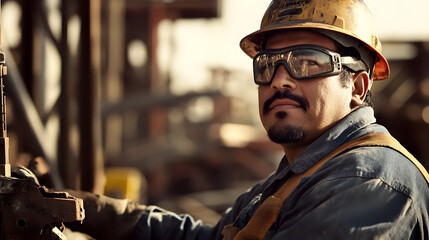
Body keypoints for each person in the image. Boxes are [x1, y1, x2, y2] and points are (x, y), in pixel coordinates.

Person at [66, 0, 429, 239]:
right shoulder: (294, 178)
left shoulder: (369, 182)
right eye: (268, 64)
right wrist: (94, 213)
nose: (279, 79)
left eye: (307, 61)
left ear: (357, 85)